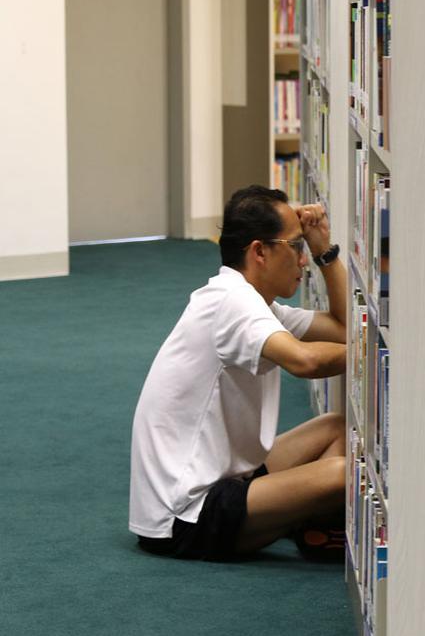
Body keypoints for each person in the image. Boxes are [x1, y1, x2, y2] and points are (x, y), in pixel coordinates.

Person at [129, 185, 349, 561]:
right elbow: (305, 362)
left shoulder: (259, 304)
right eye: (296, 246)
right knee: (344, 473)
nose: (303, 261)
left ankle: (303, 522)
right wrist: (382, 355)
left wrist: (323, 250)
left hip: (222, 478)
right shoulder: (233, 303)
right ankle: (302, 519)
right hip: (185, 514)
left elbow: (346, 330)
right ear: (259, 251)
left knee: (336, 428)